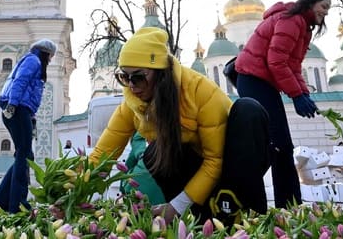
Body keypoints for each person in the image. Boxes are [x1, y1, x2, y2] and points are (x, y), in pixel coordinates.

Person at [90, 27, 270, 225]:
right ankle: (201, 215)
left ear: (160, 74)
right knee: (156, 152)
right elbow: (101, 156)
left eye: (138, 77)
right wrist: (68, 193)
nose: (131, 86)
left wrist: (175, 206)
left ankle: (238, 209)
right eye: (124, 77)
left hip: (231, 168)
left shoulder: (200, 91)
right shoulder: (131, 105)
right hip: (196, 174)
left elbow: (214, 160)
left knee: (249, 109)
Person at [233, 0, 331, 207]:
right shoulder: (291, 21)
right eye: (324, 6)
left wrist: (304, 93)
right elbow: (276, 61)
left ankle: (269, 199)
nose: (326, 12)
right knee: (279, 144)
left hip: (260, 81)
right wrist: (296, 95)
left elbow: (293, 65)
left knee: (277, 145)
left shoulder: (303, 27)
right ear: (311, 2)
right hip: (253, 79)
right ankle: (287, 205)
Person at [0, 39, 56, 213]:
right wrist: (12, 105)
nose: (50, 60)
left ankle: (0, 201)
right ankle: (18, 204)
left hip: (22, 110)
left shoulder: (33, 61)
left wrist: (32, 118)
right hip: (17, 109)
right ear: (45, 53)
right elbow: (20, 81)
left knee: (24, 154)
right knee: (25, 156)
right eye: (50, 56)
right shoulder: (33, 61)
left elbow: (30, 93)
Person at [119, 132, 165, 205]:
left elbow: (129, 164)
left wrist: (122, 190)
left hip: (135, 190)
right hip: (167, 196)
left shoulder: (138, 138)